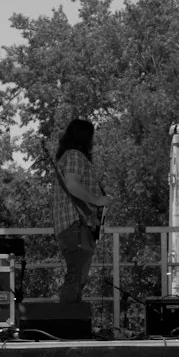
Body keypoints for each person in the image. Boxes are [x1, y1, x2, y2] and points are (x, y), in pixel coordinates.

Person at [51, 118, 107, 305]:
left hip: (74, 226)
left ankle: (70, 317)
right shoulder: (75, 156)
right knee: (76, 276)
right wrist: (98, 200)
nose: (93, 142)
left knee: (78, 276)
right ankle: (64, 318)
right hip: (75, 226)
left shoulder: (68, 157)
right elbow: (72, 185)